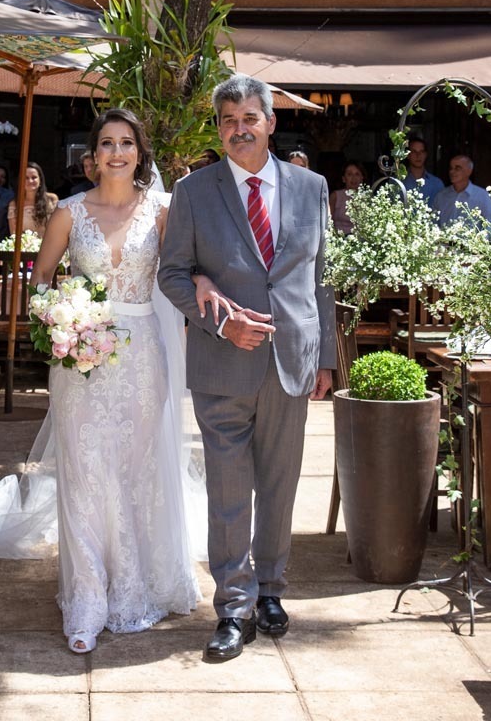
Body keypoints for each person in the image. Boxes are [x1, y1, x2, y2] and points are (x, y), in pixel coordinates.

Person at [0, 109, 202, 655]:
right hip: (81, 360)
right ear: (92, 154)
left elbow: (178, 277)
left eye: (127, 142)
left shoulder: (163, 211)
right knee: (84, 474)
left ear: (140, 152)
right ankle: (86, 597)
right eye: (107, 143)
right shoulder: (69, 214)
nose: (117, 152)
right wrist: (63, 319)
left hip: (144, 356)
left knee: (134, 470)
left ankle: (133, 584)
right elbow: (37, 283)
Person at [158, 74, 335, 662]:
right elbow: (173, 273)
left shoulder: (312, 188)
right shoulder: (193, 192)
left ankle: (270, 591)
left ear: (270, 123)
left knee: (281, 488)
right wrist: (218, 322)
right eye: (229, 120)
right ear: (219, 128)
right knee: (230, 493)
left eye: (249, 118)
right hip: (221, 365)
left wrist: (327, 357)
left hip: (292, 361)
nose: (239, 129)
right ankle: (233, 607)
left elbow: (320, 280)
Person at [431, 155, 491, 228]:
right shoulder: (441, 196)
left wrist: (480, 238)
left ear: (469, 171)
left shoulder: (482, 196)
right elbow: (433, 223)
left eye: (457, 168)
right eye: (451, 168)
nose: (452, 171)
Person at [8, 161, 58, 238]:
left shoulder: (51, 199)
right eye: (26, 178)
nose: (30, 181)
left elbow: (58, 227)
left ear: (40, 179)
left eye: (34, 177)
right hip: (25, 247)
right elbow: (14, 234)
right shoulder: (14, 204)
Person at [403, 137, 445, 206]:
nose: (418, 155)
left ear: (425, 155)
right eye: (414, 151)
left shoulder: (437, 184)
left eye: (421, 151)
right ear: (408, 155)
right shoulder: (399, 182)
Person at [329, 161, 364, 234]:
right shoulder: (336, 196)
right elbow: (327, 221)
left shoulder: (367, 197)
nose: (353, 178)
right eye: (349, 174)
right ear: (344, 179)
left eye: (357, 174)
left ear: (362, 178)